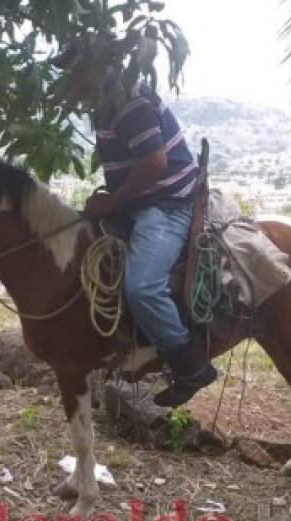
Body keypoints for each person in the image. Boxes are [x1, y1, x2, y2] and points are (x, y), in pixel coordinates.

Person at [74, 62, 217, 407]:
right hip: (138, 202)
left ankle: (190, 366)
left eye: (75, 69)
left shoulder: (131, 100)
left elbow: (154, 163)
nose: (71, 79)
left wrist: (114, 203)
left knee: (142, 286)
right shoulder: (106, 103)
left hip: (166, 203)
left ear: (98, 63)